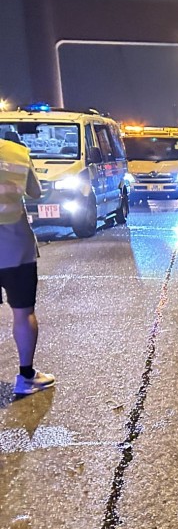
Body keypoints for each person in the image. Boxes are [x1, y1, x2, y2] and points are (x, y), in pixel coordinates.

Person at [0, 139, 56, 395]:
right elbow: (35, 192)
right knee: (23, 313)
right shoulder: (17, 153)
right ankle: (26, 377)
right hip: (15, 248)